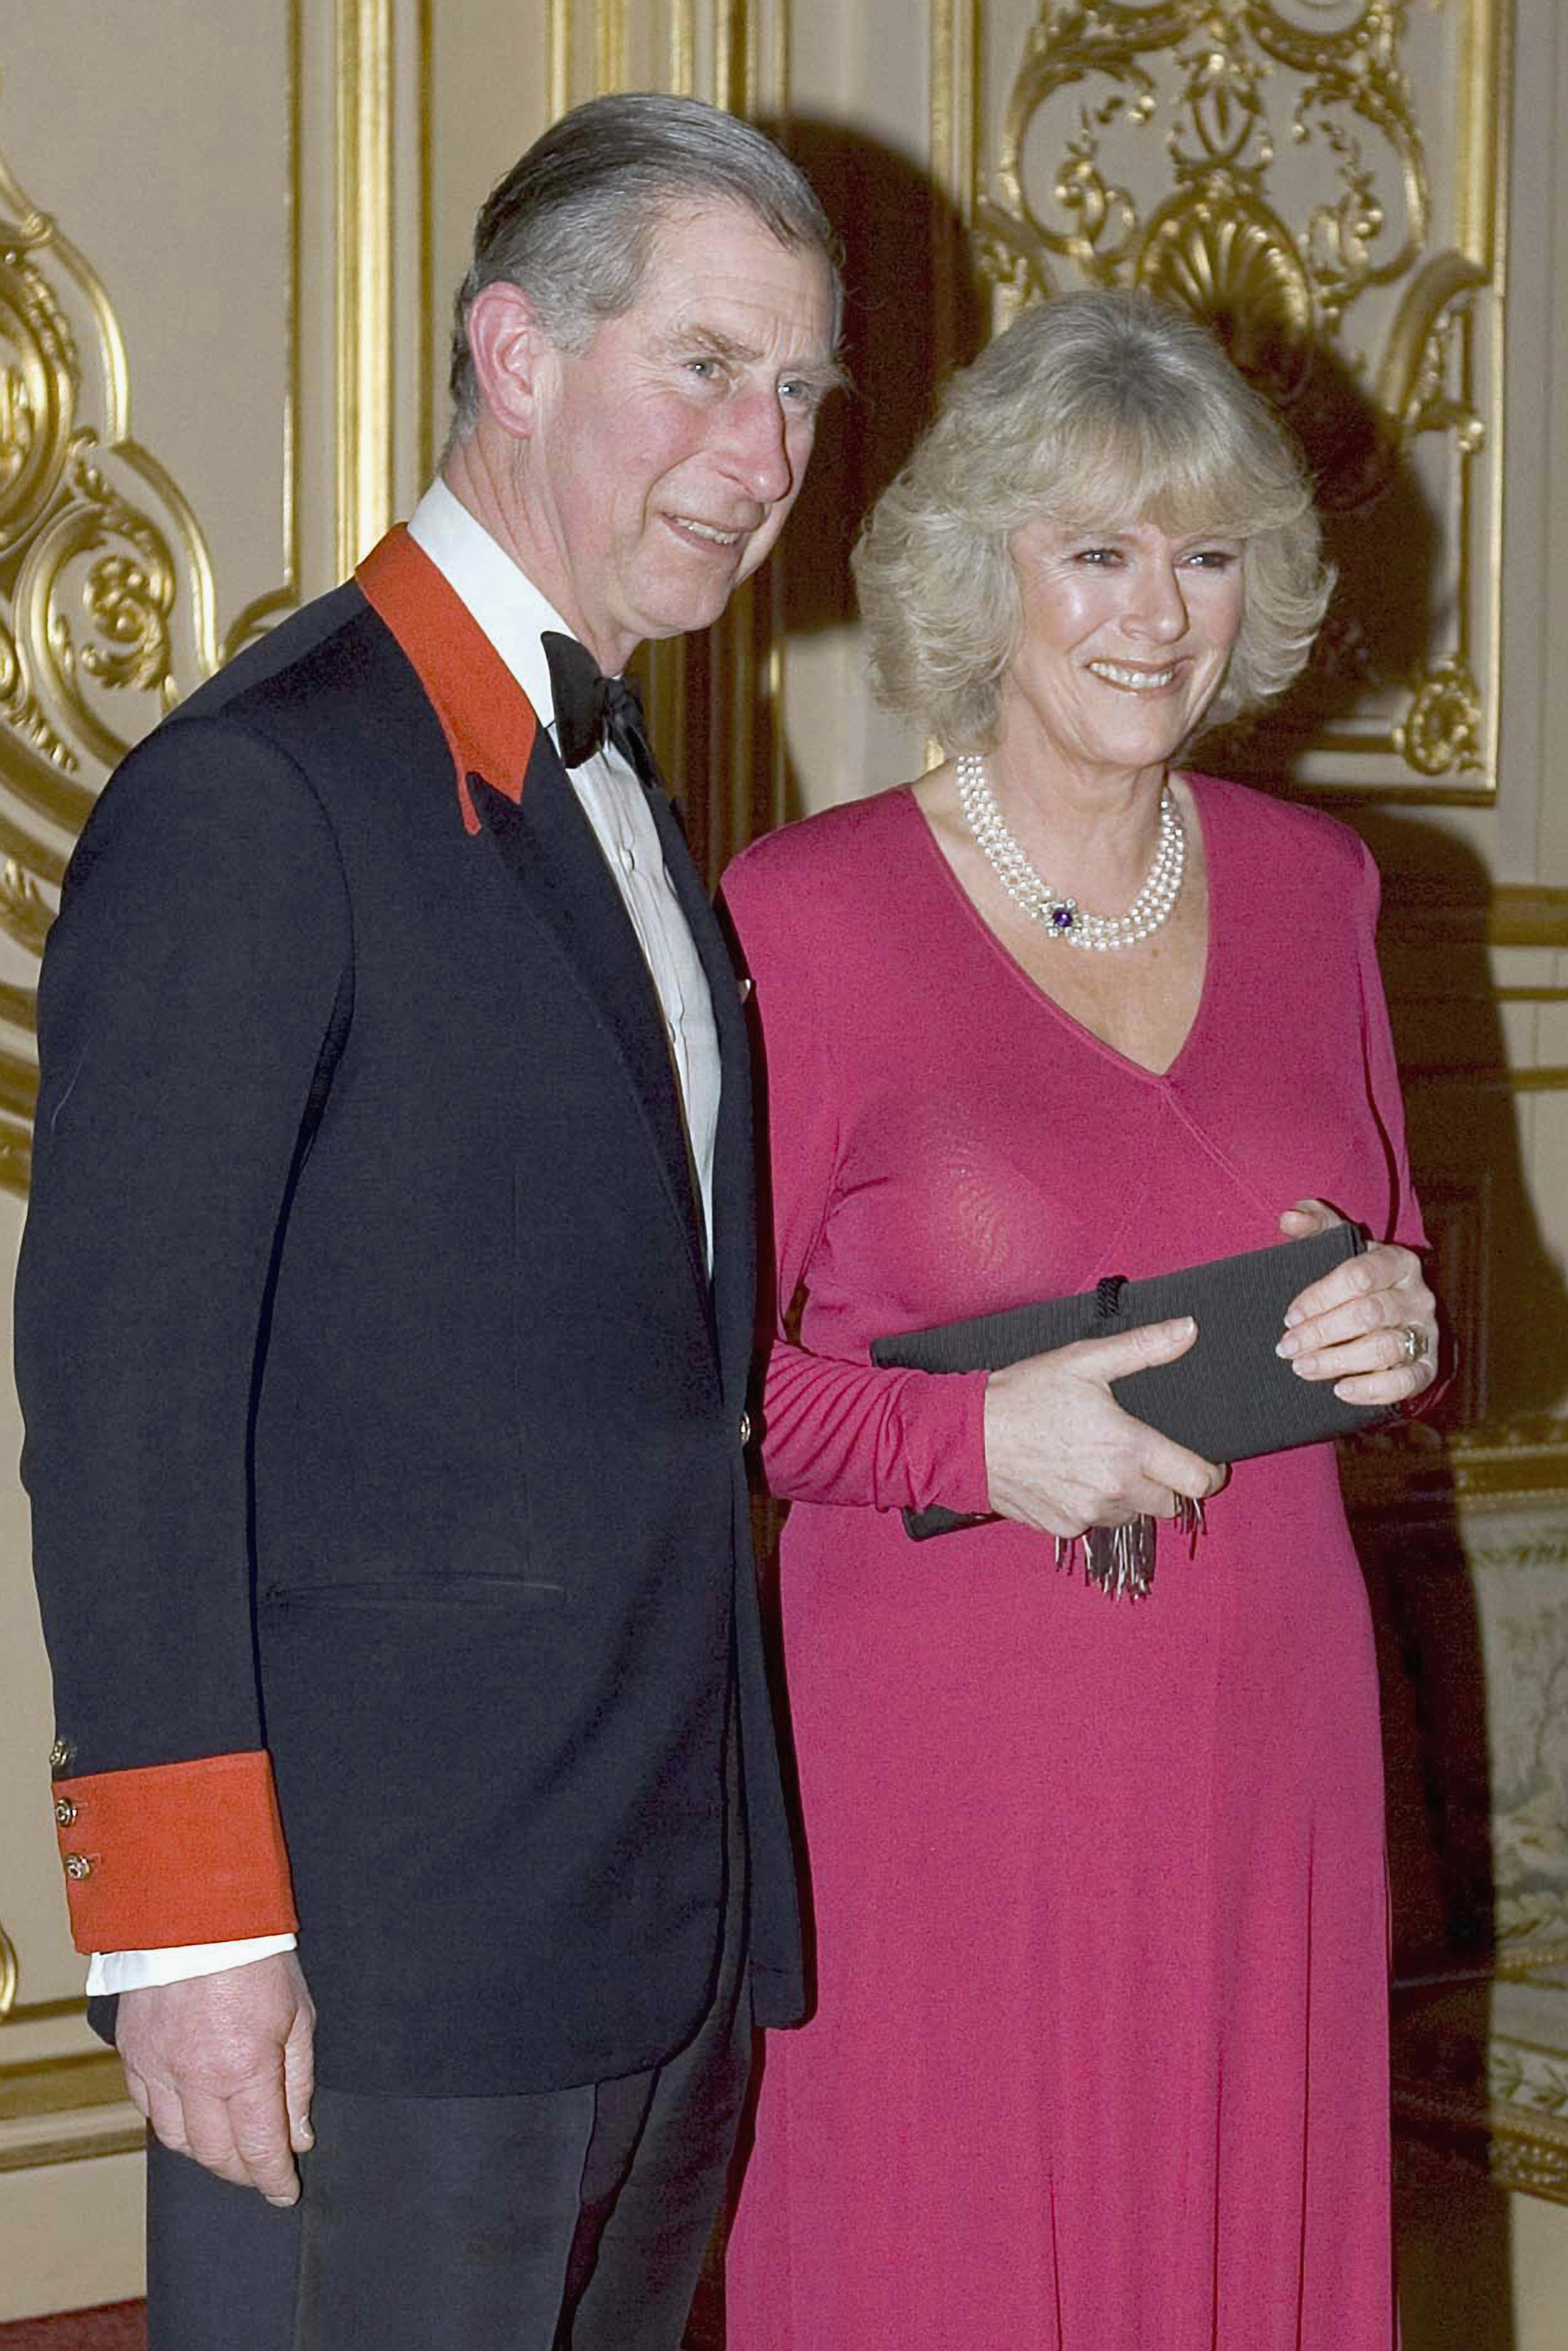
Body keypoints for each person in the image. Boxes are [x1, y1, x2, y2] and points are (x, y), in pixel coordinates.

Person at [16, 92, 841, 2351]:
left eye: (796, 392)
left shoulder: (629, 801)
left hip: (656, 1918)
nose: (762, 455)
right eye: (706, 366)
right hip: (378, 1959)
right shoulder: (257, 794)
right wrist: (190, 1941)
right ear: (514, 353)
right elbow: (120, 1410)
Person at [720, 289, 1439, 2350]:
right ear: (985, 574)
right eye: (1094, 552)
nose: (1155, 615)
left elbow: (1375, 1266)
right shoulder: (812, 911)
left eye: (1205, 556)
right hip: (944, 1770)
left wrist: (1393, 1329)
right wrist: (969, 1443)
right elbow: (671, 1393)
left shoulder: (1319, 887)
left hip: (1259, 1743)